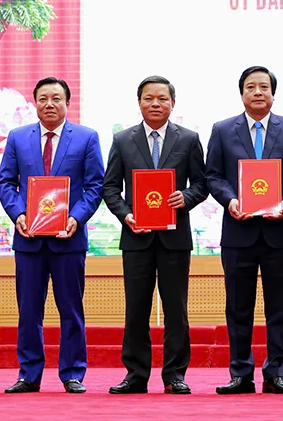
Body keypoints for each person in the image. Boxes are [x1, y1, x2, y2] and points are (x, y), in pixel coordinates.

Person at [205, 65, 283, 395]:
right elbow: (213, 176)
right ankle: (240, 373)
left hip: (278, 232)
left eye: (263, 87)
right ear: (241, 93)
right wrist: (230, 200)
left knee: (279, 307)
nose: (257, 92)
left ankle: (275, 373)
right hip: (238, 233)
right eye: (250, 87)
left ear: (272, 93)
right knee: (238, 307)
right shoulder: (223, 130)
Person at [0, 77, 105, 394]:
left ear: (67, 103)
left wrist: (76, 217)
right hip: (29, 239)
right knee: (29, 310)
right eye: (43, 98)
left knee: (71, 310)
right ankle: (29, 374)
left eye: (56, 98)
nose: (49, 104)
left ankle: (72, 373)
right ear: (35, 103)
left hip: (68, 239)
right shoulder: (18, 138)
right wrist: (18, 214)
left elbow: (95, 185)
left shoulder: (86, 138)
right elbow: (6, 183)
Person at [102, 75, 208, 395]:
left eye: (162, 98)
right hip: (137, 236)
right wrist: (126, 215)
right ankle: (135, 374)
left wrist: (185, 199)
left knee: (176, 309)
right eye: (149, 98)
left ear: (172, 103)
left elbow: (202, 184)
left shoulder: (189, 139)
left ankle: (175, 374)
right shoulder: (122, 140)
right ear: (139, 103)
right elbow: (110, 188)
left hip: (175, 238)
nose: (155, 104)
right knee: (136, 309)